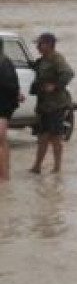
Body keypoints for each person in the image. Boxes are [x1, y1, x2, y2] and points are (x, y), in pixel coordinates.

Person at [30, 32, 73, 175]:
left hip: (56, 105)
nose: (37, 46)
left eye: (40, 44)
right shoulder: (43, 60)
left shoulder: (57, 58)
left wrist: (55, 86)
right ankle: (37, 167)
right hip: (44, 104)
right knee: (42, 136)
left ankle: (57, 168)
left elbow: (68, 73)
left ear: (49, 44)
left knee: (55, 137)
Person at [0, 42, 22, 182]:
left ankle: (3, 177)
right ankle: (5, 175)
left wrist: (16, 95)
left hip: (2, 107)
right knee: (3, 141)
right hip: (5, 106)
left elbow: (9, 85)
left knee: (0, 141)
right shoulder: (5, 61)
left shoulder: (4, 63)